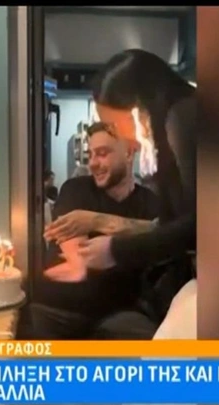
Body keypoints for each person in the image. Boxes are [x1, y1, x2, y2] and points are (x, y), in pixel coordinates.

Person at [49, 49, 197, 327]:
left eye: (114, 125)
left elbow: (198, 226)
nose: (122, 134)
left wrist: (116, 250)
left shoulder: (183, 118)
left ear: (137, 107)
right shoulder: (178, 121)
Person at [16, 121, 160, 341]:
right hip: (60, 310)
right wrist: (132, 239)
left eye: (102, 153)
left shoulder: (151, 202)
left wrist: (94, 221)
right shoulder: (76, 189)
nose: (92, 163)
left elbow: (163, 234)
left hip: (121, 314)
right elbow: (77, 256)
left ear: (130, 153)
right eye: (90, 154)